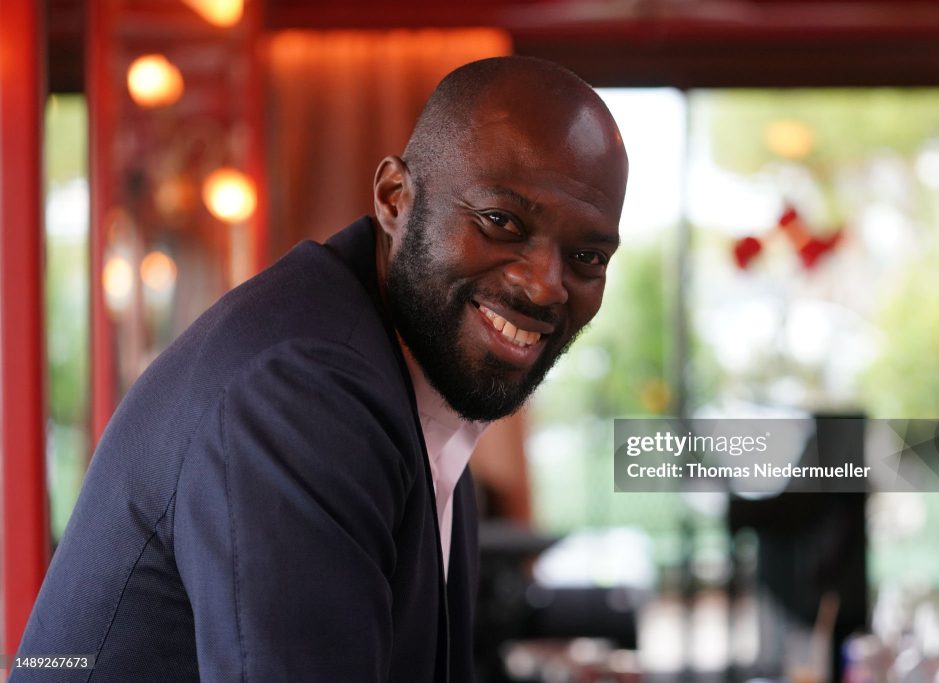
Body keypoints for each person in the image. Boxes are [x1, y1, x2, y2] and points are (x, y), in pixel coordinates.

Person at [15, 56, 628, 681]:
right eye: (502, 222)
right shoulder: (301, 390)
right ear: (396, 199)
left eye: (586, 256)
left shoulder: (420, 394)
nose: (546, 285)